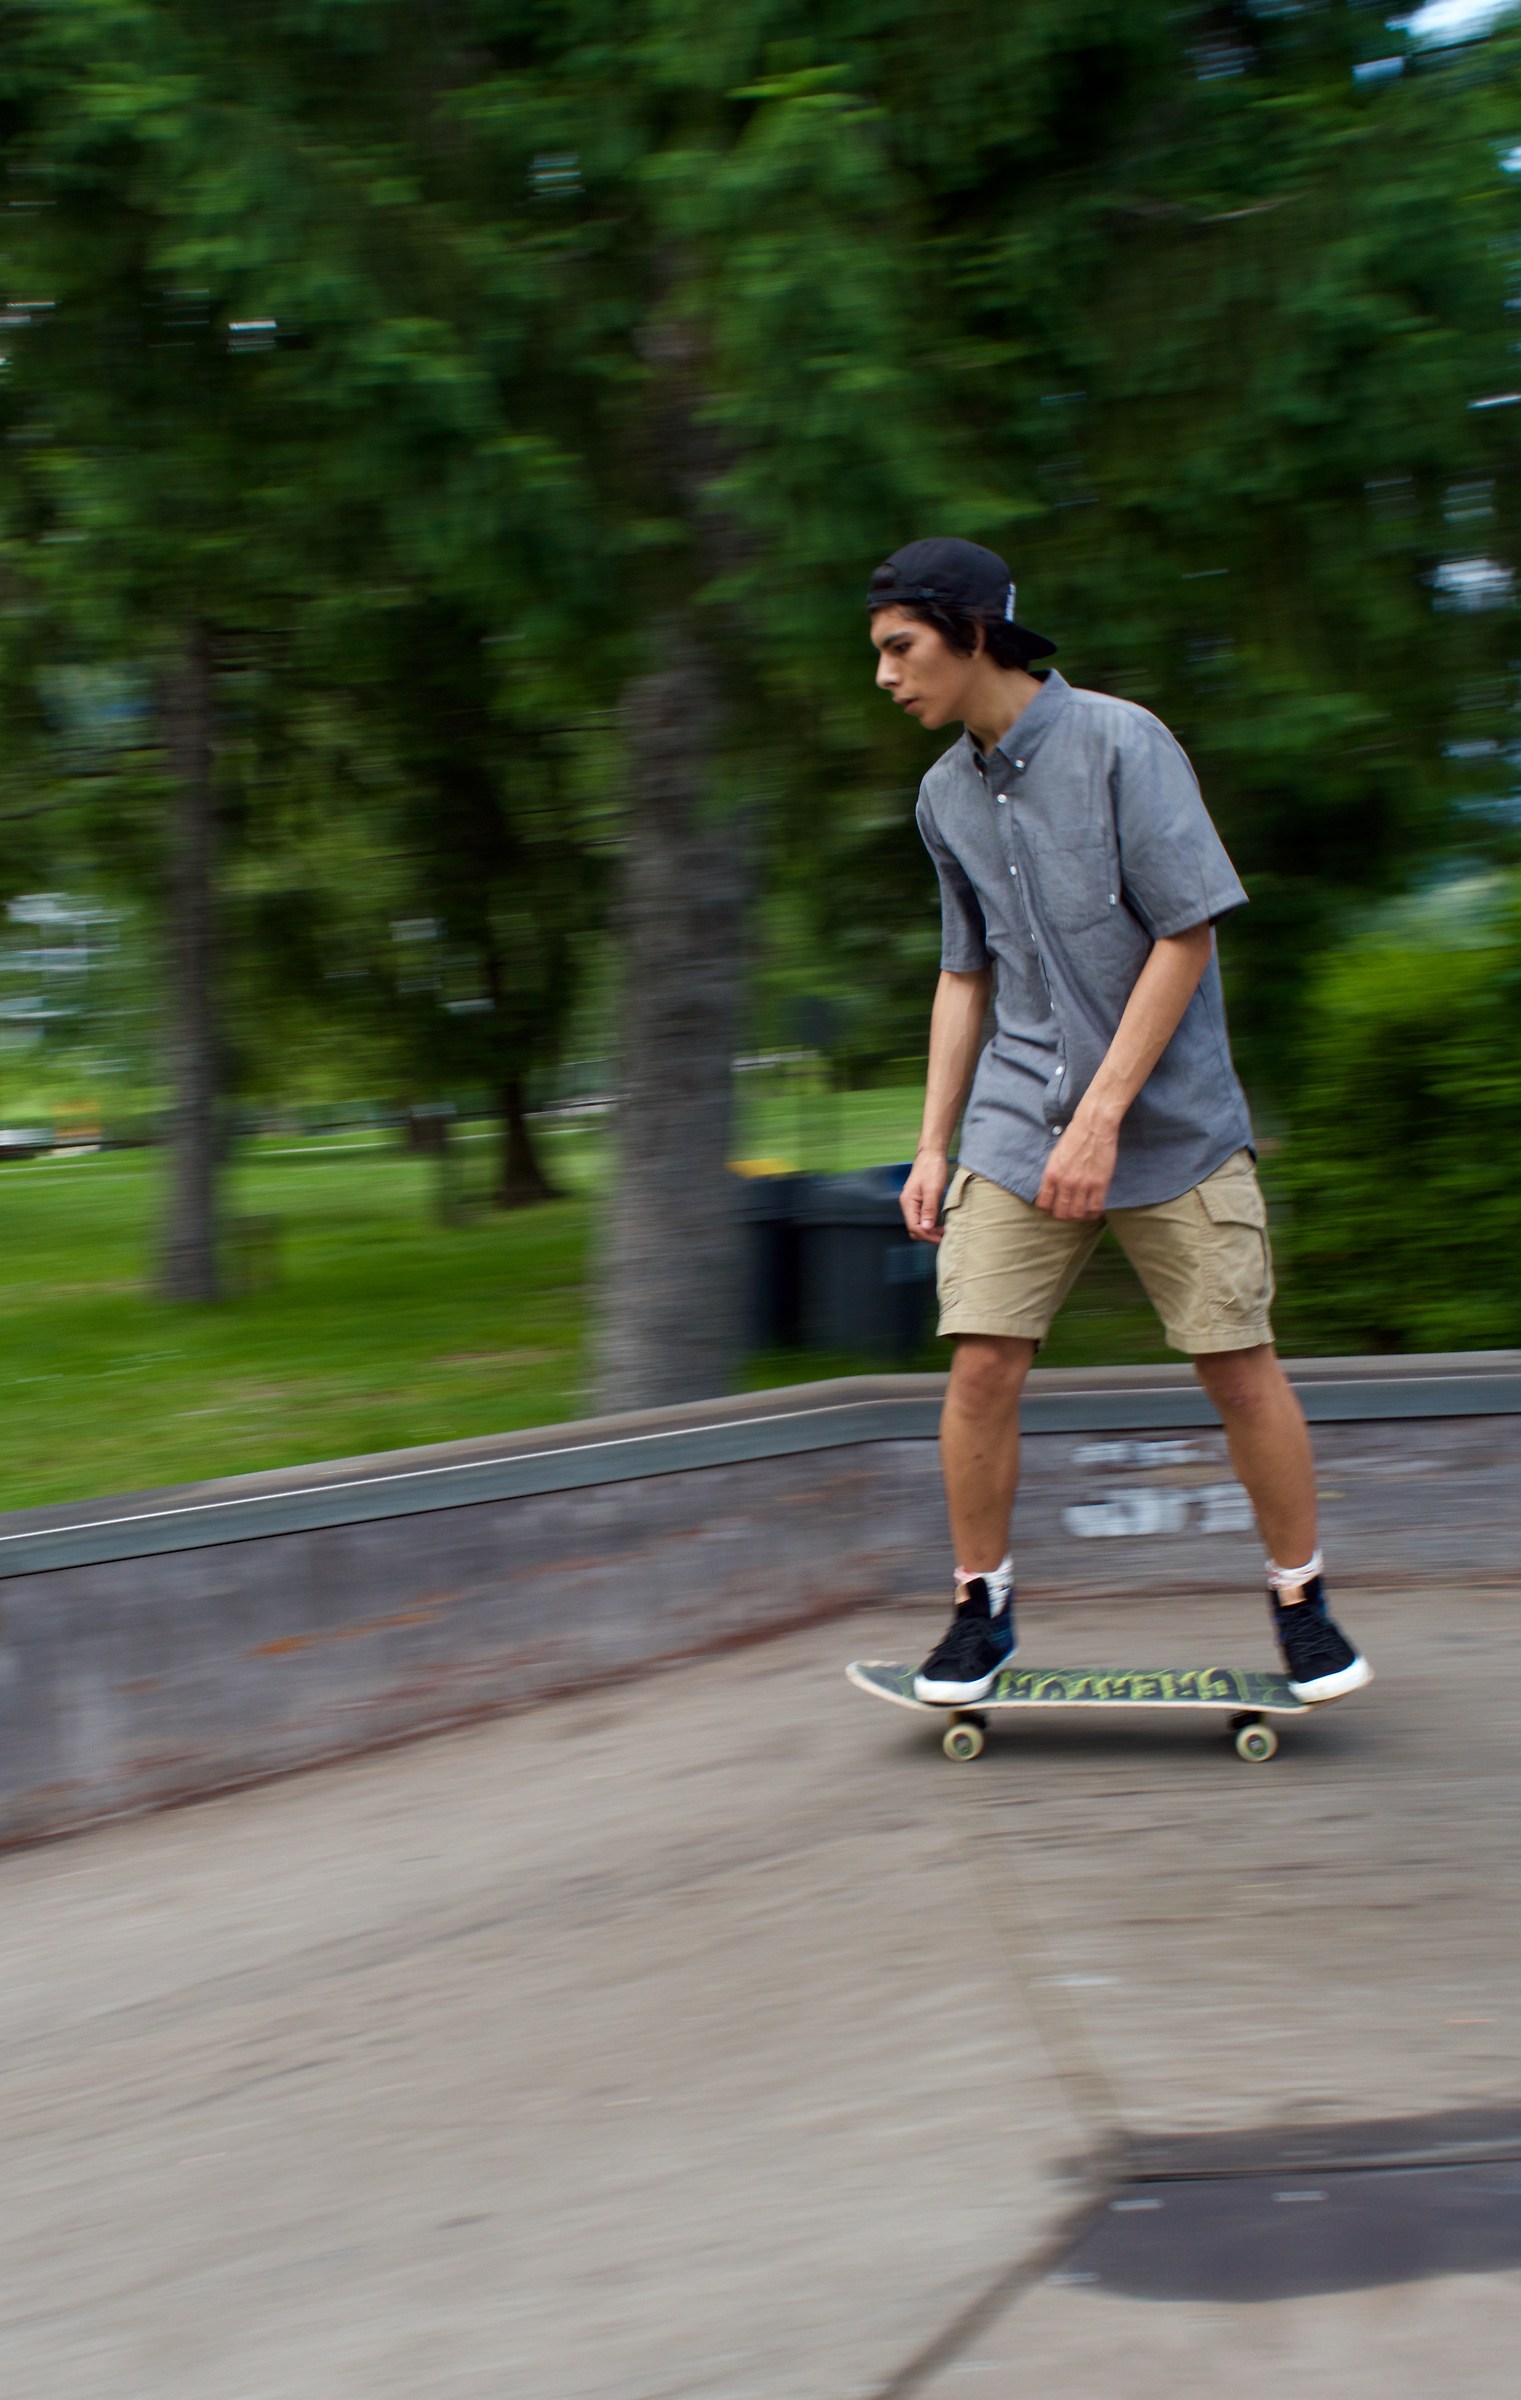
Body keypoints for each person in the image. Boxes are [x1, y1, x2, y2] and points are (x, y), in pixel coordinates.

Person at [868, 536, 1370, 1709]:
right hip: (1015, 1114)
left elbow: (1186, 934)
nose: (887, 676)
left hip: (1172, 1119)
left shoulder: (1120, 743)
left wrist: (1102, 1119)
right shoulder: (944, 798)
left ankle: (1301, 1598)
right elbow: (964, 976)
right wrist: (935, 1141)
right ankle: (978, 1609)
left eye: (901, 649)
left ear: (972, 633)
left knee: (1236, 1366)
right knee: (982, 1361)